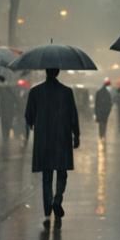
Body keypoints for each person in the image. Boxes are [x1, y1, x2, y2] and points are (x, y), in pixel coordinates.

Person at [25, 68, 80, 228]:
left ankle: (47, 213)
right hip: (62, 138)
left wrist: (35, 122)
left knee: (47, 177)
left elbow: (28, 116)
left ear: (46, 72)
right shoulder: (67, 92)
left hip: (44, 139)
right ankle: (57, 199)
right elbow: (73, 116)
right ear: (57, 72)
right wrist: (76, 135)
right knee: (62, 173)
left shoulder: (35, 92)